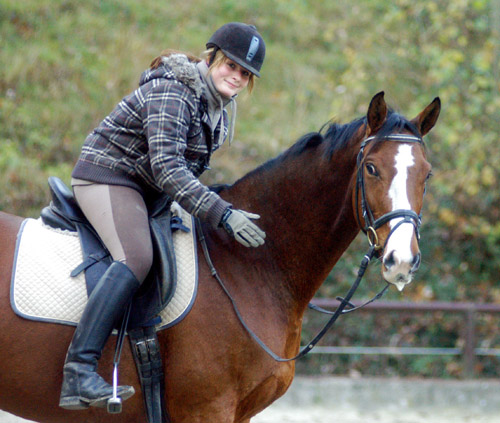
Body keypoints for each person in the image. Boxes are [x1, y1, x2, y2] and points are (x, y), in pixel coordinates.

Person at [59, 22, 267, 410]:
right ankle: (79, 370)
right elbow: (168, 167)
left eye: (245, 73)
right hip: (109, 175)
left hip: (148, 189)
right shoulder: (175, 90)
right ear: (211, 58)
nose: (237, 77)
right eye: (230, 66)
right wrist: (222, 214)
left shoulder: (219, 108)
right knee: (137, 257)